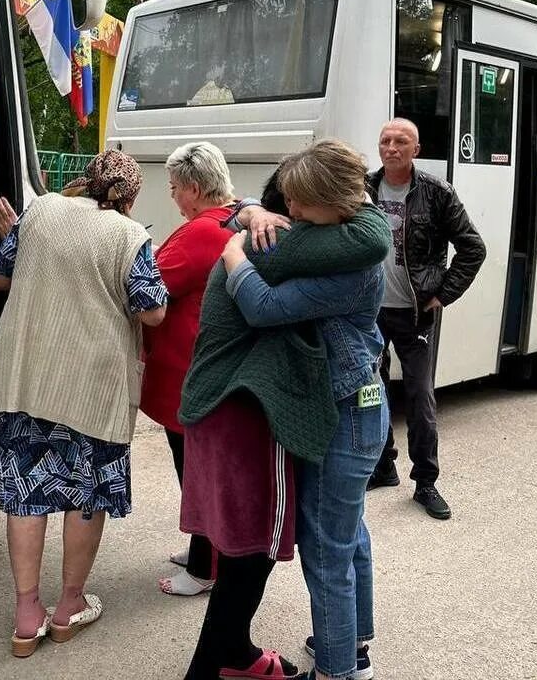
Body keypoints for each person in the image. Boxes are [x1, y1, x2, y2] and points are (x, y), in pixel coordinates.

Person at [177, 142, 390, 680]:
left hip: (348, 410)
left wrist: (235, 253)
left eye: (299, 204)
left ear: (331, 203)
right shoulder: (343, 229)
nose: (290, 214)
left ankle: (339, 668)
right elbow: (254, 213)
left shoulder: (353, 260)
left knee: (326, 551)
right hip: (354, 405)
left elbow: (266, 306)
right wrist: (247, 211)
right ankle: (354, 646)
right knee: (349, 535)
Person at [0, 151, 168, 659]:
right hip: (93, 385)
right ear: (129, 197)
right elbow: (151, 312)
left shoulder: (38, 211)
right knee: (85, 492)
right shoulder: (130, 236)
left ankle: (25, 616)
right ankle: (67, 607)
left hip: (29, 376)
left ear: (83, 181)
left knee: (27, 490)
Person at [141, 142, 268, 597]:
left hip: (190, 375)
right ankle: (204, 552)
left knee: (196, 475)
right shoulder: (230, 218)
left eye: (175, 188)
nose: (173, 196)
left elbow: (151, 284)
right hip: (205, 372)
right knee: (197, 471)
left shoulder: (200, 232)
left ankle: (204, 566)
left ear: (194, 188)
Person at [366, 118, 485, 520]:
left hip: (416, 314)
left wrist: (443, 294)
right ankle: (383, 467)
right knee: (373, 393)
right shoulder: (362, 188)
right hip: (370, 312)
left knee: (419, 397)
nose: (392, 147)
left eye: (401, 141)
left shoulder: (436, 193)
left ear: (415, 149)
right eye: (385, 140)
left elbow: (473, 248)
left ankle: (426, 482)